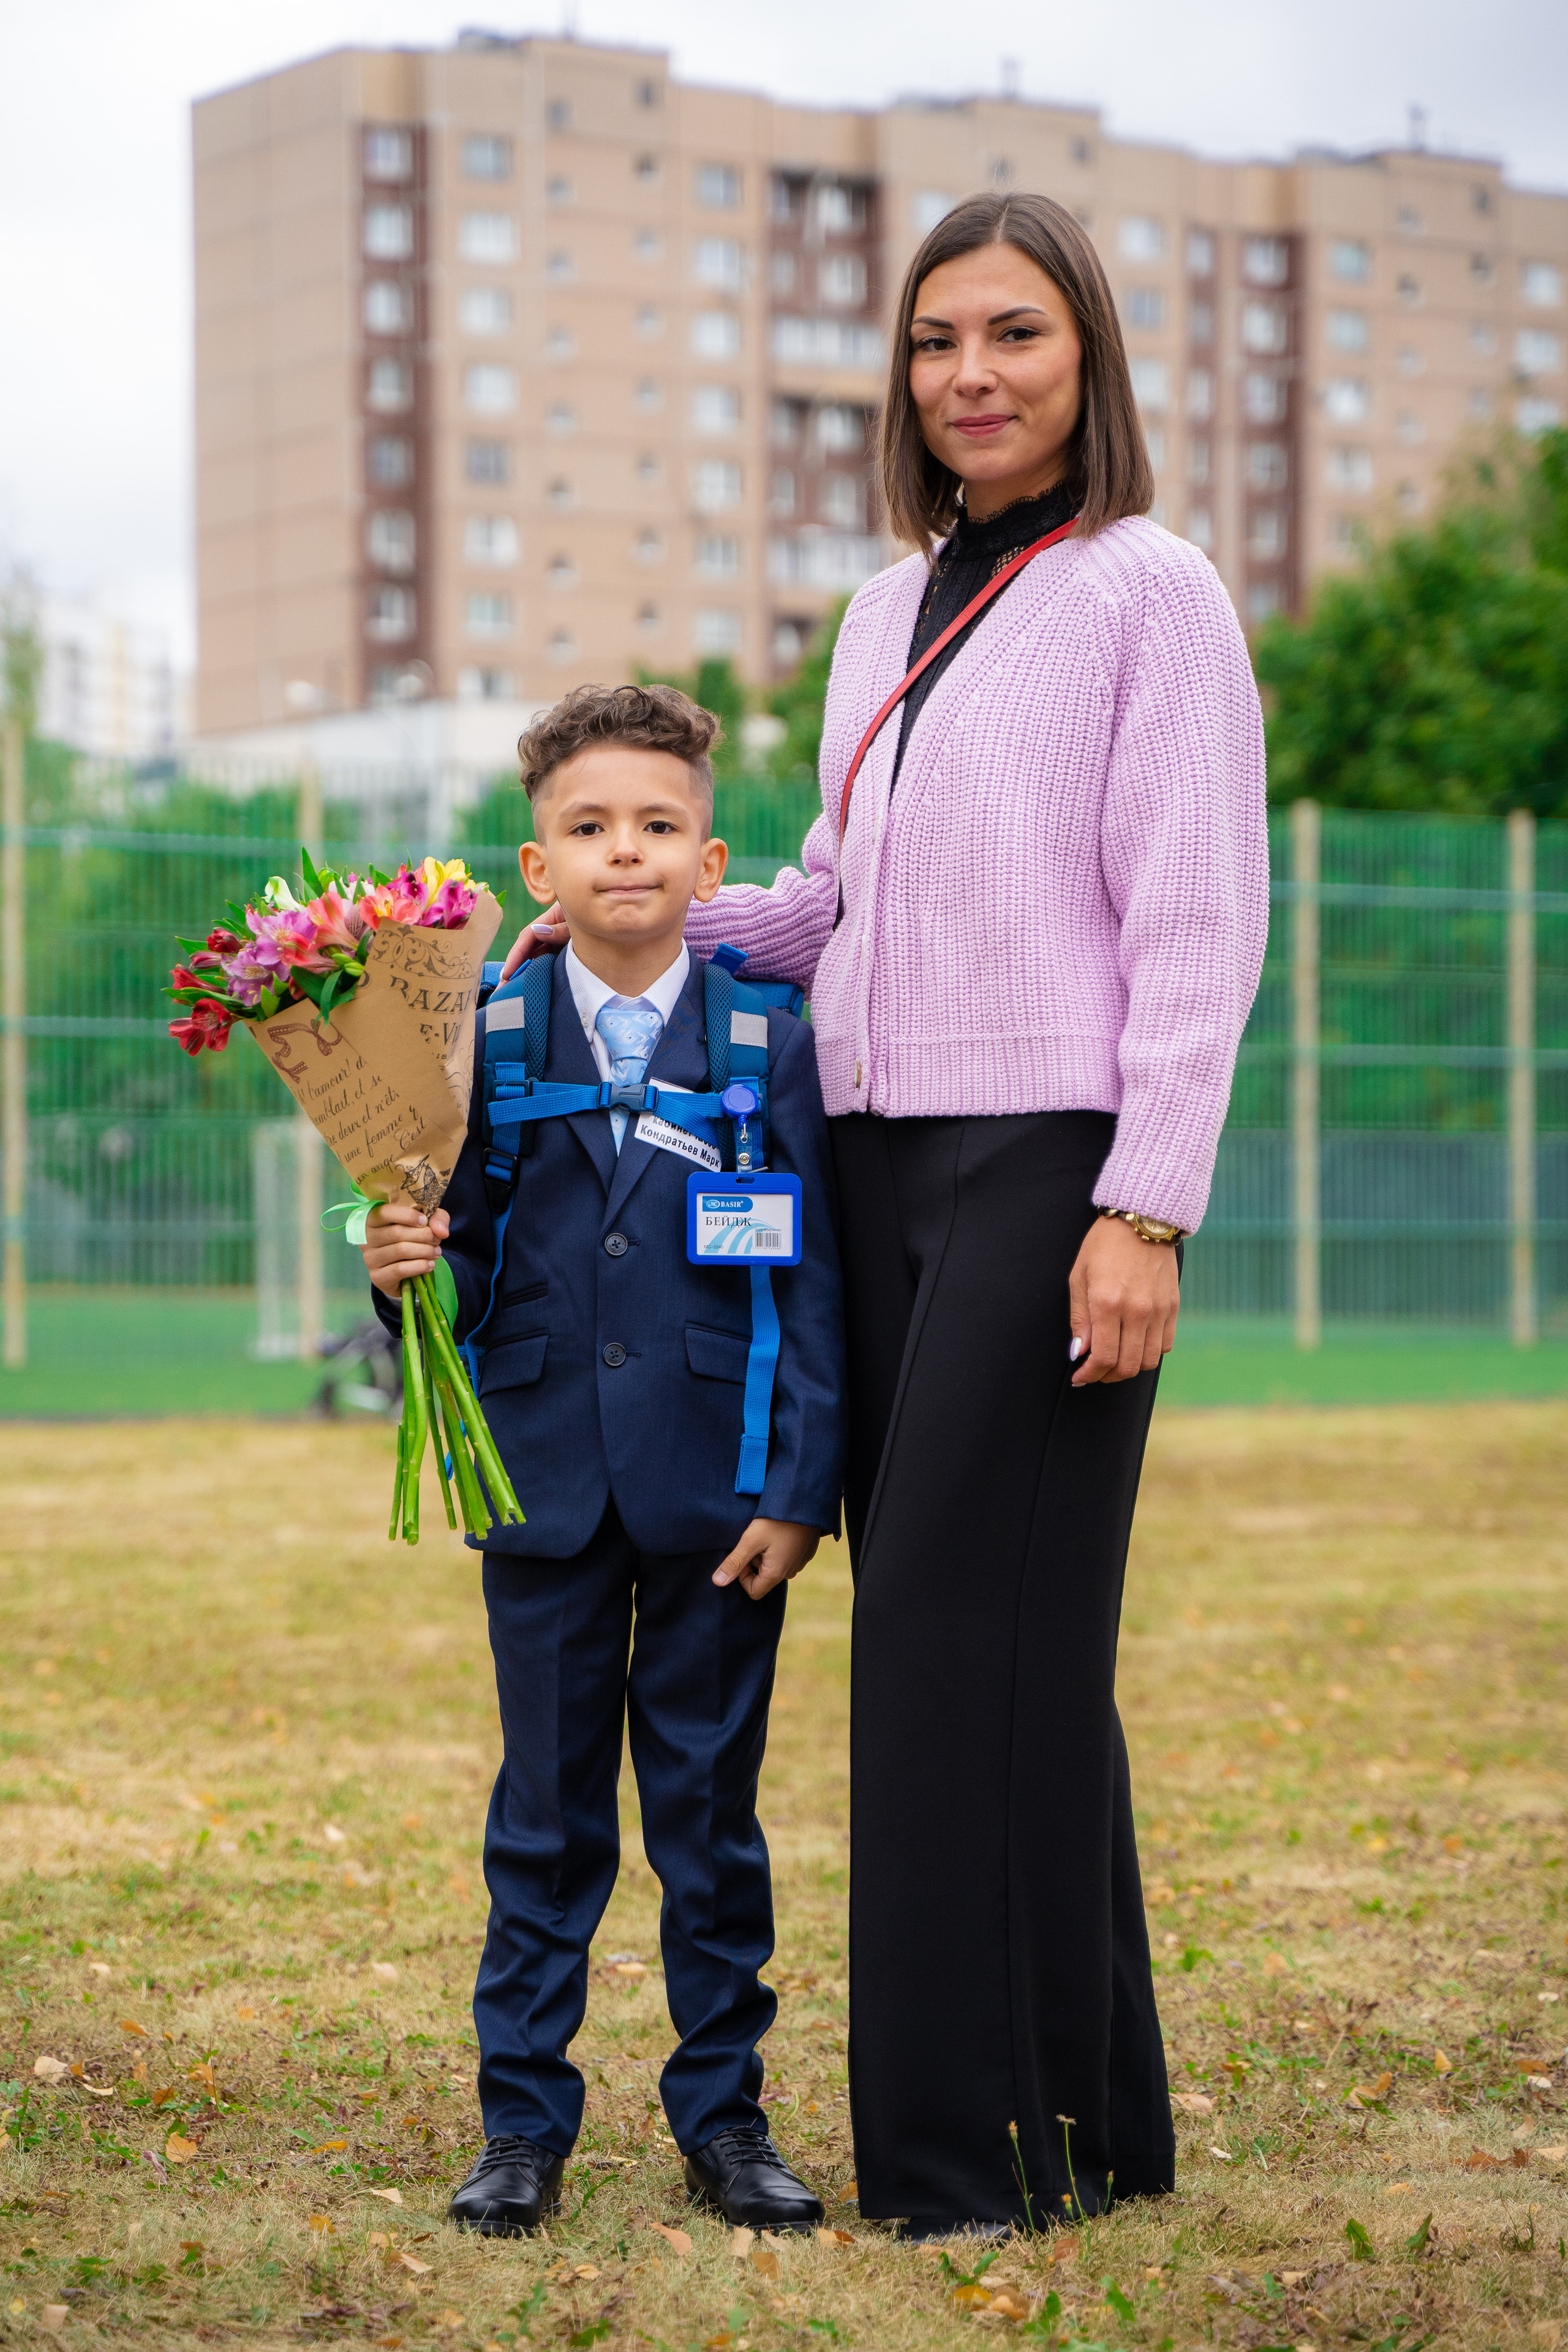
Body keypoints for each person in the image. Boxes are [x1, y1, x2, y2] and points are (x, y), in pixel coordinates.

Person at [503, 193, 1269, 2240]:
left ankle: (965, 2163)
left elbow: (1197, 917)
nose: (973, 375)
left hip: (1049, 1159)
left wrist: (1147, 1206)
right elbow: (834, 890)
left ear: (1088, 358)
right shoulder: (887, 608)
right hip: (863, 1149)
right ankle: (1096, 2124)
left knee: (954, 1644)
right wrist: (617, 916)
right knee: (1010, 1651)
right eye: (937, 342)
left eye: (1016, 334)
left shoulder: (1150, 591)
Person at [361, 683, 845, 2237]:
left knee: (707, 1821)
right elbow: (458, 1260)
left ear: (712, 868)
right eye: (588, 828)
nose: (622, 852)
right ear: (534, 866)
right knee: (547, 1819)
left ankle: (724, 2122)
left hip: (720, 1503)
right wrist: (397, 1268)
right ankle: (521, 2127)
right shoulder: (481, 1038)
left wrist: (798, 1491)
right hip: (544, 1487)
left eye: (656, 826)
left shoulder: (772, 1036)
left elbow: (820, 1281)